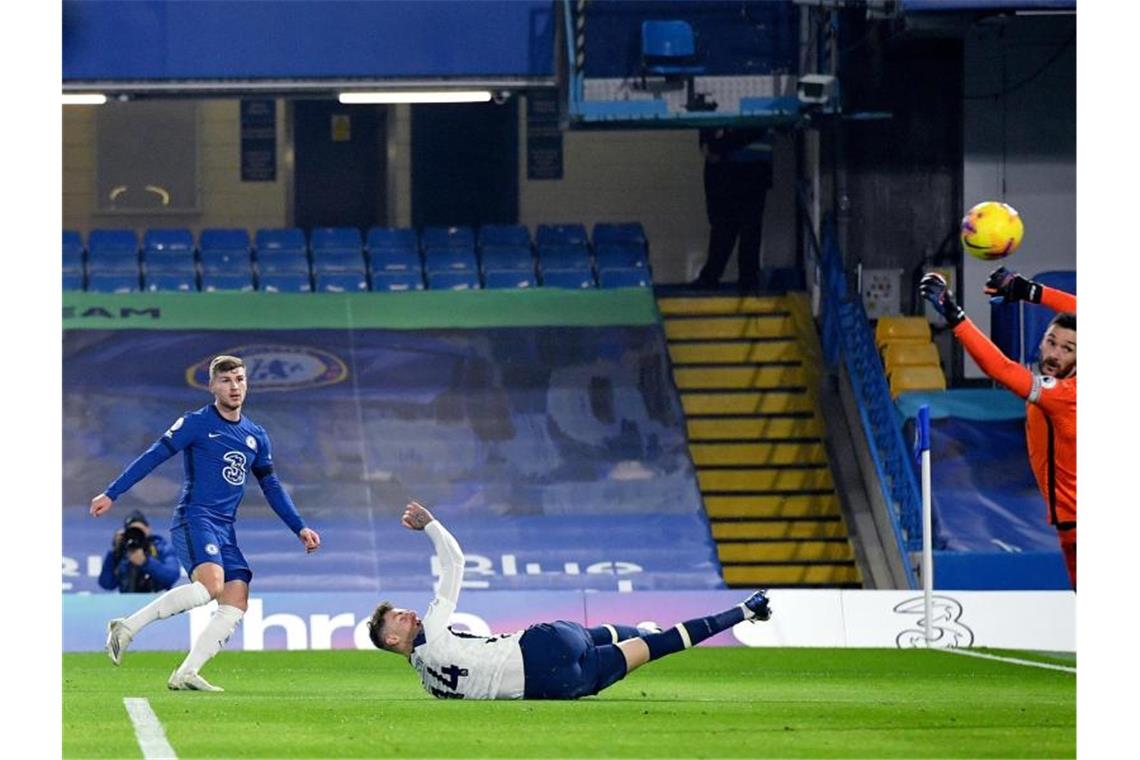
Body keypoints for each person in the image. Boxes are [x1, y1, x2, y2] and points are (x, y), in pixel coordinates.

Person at [366, 501, 772, 700]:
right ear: (391, 641)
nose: (408, 614)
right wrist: (431, 524)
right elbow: (454, 563)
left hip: (558, 685)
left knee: (653, 649)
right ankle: (742, 609)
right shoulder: (433, 631)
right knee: (602, 635)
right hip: (544, 646)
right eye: (399, 618)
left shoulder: (430, 687)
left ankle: (744, 612)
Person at [89, 355, 322, 691]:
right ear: (212, 385)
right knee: (211, 587)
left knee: (236, 597)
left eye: (240, 379)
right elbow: (154, 455)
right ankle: (126, 627)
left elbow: (271, 486)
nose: (234, 387)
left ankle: (186, 672)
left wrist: (299, 526)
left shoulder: (256, 435)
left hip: (225, 526)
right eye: (226, 381)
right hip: (195, 517)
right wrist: (112, 493)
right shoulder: (196, 423)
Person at [920, 267, 1076, 589]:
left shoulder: (1063, 395)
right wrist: (1027, 291)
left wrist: (954, 314)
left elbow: (1000, 368)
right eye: (1051, 342)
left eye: (1068, 349)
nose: (1055, 354)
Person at [691, 127, 773, 294]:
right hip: (746, 163)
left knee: (738, 225)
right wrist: (713, 145)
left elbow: (757, 128)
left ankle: (720, 276)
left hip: (746, 164)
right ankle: (742, 278)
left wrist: (716, 145)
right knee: (733, 225)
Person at [97, 509, 180, 593]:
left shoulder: (161, 548)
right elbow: (106, 584)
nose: (136, 534)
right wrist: (115, 551)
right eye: (132, 531)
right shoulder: (122, 552)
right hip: (128, 602)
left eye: (140, 530)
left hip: (157, 601)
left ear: (148, 529)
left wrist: (145, 562)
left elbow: (171, 576)